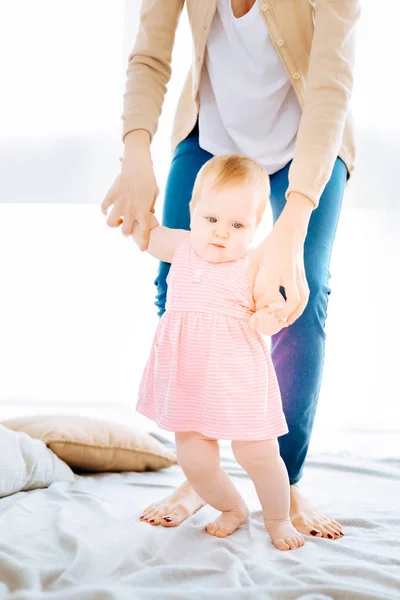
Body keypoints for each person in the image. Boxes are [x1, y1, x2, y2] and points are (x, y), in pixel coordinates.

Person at [102, 0, 360, 540]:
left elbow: (330, 84)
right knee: (177, 285)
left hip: (307, 144)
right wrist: (134, 156)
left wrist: (292, 223)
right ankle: (204, 470)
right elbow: (150, 56)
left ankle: (283, 482)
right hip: (210, 138)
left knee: (297, 298)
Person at [133, 153, 305, 551]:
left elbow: (267, 307)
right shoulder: (180, 245)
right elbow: (145, 233)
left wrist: (270, 318)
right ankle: (231, 508)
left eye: (237, 224)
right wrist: (134, 209)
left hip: (237, 377)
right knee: (194, 458)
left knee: (258, 453)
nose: (221, 233)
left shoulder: (254, 263)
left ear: (255, 227)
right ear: (193, 211)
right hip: (188, 374)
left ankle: (277, 518)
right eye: (211, 219)